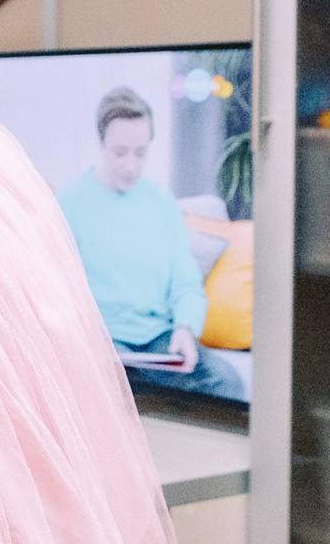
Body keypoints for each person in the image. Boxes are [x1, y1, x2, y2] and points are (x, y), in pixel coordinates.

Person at [58, 85, 246, 400]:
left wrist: (186, 329)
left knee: (227, 382)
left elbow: (186, 284)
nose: (131, 165)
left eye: (141, 152)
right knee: (107, 391)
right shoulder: (70, 201)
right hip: (100, 341)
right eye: (120, 152)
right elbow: (55, 290)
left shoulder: (162, 204)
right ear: (101, 143)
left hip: (158, 342)